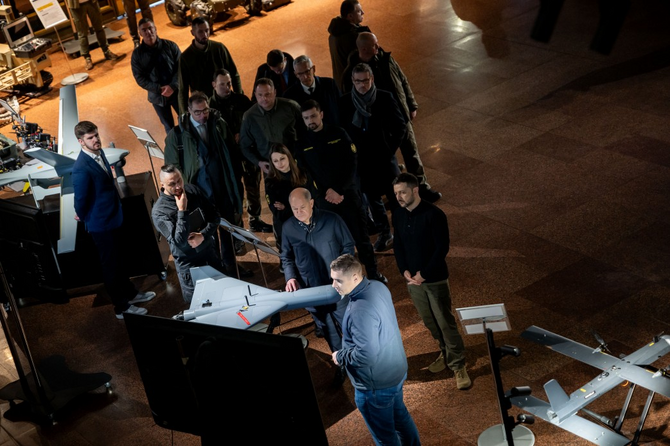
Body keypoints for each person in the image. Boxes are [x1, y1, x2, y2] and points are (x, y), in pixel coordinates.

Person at [330, 254, 421, 446]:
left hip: (375, 387)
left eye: (338, 280)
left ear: (355, 277)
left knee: (385, 438)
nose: (333, 285)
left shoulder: (359, 310)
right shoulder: (378, 286)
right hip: (394, 372)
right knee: (401, 419)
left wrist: (341, 355)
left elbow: (366, 355)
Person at [392, 173, 471, 390]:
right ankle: (445, 352)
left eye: (403, 192)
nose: (398, 197)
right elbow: (398, 244)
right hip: (413, 282)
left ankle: (458, 365)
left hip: (434, 280)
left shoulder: (434, 215)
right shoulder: (398, 215)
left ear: (415, 190)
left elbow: (441, 248)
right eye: (396, 193)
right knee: (430, 322)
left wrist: (424, 274)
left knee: (445, 322)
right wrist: (403, 270)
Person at [342, 32, 441, 203]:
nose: (378, 46)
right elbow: (349, 101)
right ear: (364, 49)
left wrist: (411, 104)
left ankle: (421, 187)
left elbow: (402, 80)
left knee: (411, 153)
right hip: (377, 127)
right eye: (374, 45)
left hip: (399, 116)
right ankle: (386, 193)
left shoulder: (385, 59)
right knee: (382, 161)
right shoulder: (353, 72)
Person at [164, 91, 252, 279]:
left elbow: (231, 153)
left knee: (228, 229)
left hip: (222, 189)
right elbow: (173, 168)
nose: (203, 115)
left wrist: (236, 182)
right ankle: (218, 271)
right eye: (197, 112)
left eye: (205, 110)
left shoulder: (219, 124)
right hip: (199, 195)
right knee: (207, 235)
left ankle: (232, 267)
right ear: (189, 111)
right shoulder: (176, 135)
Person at [297, 99, 386, 283]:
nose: (310, 120)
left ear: (321, 114)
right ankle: (345, 280)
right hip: (324, 201)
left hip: (347, 196)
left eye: (313, 116)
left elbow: (351, 164)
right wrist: (324, 194)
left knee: (361, 238)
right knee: (334, 243)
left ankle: (373, 274)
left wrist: (338, 190)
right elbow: (307, 174)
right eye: (306, 118)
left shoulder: (338, 133)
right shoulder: (303, 142)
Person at [72, 121, 155, 319]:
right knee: (111, 267)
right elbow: (80, 199)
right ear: (81, 142)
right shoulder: (81, 168)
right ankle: (121, 307)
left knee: (120, 260)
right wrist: (83, 215)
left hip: (113, 216)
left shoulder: (98, 153)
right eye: (90, 138)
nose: (96, 140)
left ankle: (130, 294)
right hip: (101, 224)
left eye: (96, 135)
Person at [281, 188, 354, 384]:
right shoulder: (288, 228)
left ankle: (358, 361)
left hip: (337, 288)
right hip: (312, 290)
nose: (298, 212)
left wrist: (341, 274)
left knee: (349, 326)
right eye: (294, 209)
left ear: (312, 203)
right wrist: (290, 277)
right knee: (328, 330)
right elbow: (286, 257)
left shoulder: (332, 220)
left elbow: (348, 246)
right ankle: (341, 363)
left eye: (302, 207)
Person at [340, 63, 406, 252]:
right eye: (358, 81)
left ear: (372, 79)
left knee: (395, 197)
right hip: (362, 162)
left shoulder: (384, 97)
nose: (362, 85)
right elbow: (343, 131)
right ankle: (385, 233)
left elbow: (400, 126)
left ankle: (402, 232)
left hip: (384, 159)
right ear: (352, 81)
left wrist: (388, 149)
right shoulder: (345, 102)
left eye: (365, 81)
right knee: (372, 200)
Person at [152, 165, 225, 303]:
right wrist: (182, 210)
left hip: (210, 254)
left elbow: (215, 216)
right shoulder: (159, 212)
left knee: (223, 295)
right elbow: (179, 241)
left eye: (179, 180)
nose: (178, 186)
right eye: (172, 184)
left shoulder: (192, 190)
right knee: (200, 305)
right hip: (189, 265)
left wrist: (203, 235)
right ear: (162, 185)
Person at [239, 78, 302, 232]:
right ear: (255, 95)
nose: (264, 99)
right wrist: (259, 163)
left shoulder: (291, 107)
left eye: (267, 94)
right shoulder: (249, 116)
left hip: (295, 166)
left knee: (300, 200)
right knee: (278, 207)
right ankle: (283, 237)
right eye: (260, 95)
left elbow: (305, 133)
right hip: (271, 170)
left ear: (275, 92)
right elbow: (244, 146)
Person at [209, 69, 259, 246]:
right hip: (228, 159)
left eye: (229, 83)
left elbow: (253, 122)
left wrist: (242, 134)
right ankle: (239, 233)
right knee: (236, 194)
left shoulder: (242, 100)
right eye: (222, 84)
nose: (227, 87)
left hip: (247, 153)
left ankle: (255, 219)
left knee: (253, 187)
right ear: (214, 85)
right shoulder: (210, 108)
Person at [178, 17, 243, 114]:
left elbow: (234, 74)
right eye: (200, 32)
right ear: (192, 32)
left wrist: (239, 96)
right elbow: (183, 90)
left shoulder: (219, 48)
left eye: (207, 30)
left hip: (223, 99)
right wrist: (184, 114)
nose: (205, 35)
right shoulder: (185, 58)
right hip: (203, 107)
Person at [131, 19, 181, 134]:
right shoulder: (137, 55)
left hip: (177, 92)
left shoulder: (170, 46)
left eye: (150, 28)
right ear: (140, 33)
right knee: (169, 128)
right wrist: (159, 89)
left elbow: (181, 68)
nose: (148, 32)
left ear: (155, 29)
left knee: (187, 120)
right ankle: (174, 145)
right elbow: (140, 78)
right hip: (157, 97)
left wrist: (173, 86)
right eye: (144, 30)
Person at [264, 144, 309, 253]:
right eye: (275, 161)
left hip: (307, 224)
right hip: (285, 226)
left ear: (288, 156)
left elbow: (312, 202)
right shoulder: (270, 182)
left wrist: (286, 207)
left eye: (282, 158)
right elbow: (278, 213)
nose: (280, 164)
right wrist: (300, 208)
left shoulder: (303, 174)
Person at [64, 0, 123, 71]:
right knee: (82, 34)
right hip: (76, 5)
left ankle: (106, 51)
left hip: (91, 2)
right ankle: (87, 58)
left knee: (99, 28)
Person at [284, 55, 341, 126]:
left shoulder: (330, 84)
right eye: (300, 74)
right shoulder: (289, 95)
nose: (305, 76)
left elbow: (341, 107)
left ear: (313, 69)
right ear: (296, 74)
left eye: (307, 71)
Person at [328, 0, 371, 88]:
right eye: (359, 11)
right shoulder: (353, 38)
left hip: (340, 82)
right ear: (350, 16)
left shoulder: (333, 35)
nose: (363, 13)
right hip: (352, 85)